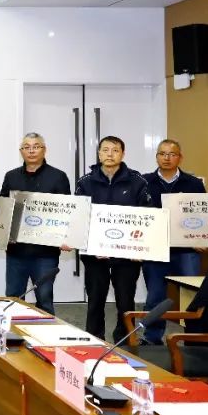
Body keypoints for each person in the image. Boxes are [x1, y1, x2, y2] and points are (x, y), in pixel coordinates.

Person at [75, 135, 154, 343]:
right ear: (99, 153)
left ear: (123, 154)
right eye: (105, 150)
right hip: (95, 255)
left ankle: (125, 341)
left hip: (127, 256)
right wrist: (92, 246)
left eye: (115, 150)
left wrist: (140, 248)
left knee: (125, 302)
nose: (110, 154)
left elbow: (148, 216)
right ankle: (94, 339)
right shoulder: (85, 182)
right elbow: (80, 217)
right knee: (95, 300)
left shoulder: (137, 181)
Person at [141, 139, 206, 344]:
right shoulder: (143, 182)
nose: (167, 158)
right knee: (155, 297)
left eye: (172, 154)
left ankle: (193, 340)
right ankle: (152, 339)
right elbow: (137, 214)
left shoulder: (194, 183)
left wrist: (201, 238)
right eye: (162, 154)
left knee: (192, 296)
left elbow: (202, 214)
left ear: (180, 157)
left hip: (186, 249)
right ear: (156, 156)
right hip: (155, 249)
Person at [0, 133, 71, 315]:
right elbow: (3, 208)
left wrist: (67, 237)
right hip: (16, 251)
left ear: (44, 150)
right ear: (21, 151)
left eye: (36, 146)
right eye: (26, 147)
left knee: (44, 300)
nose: (31, 150)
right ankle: (12, 332)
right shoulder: (11, 176)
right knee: (13, 299)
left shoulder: (58, 177)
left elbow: (67, 211)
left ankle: (46, 333)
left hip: (45, 253)